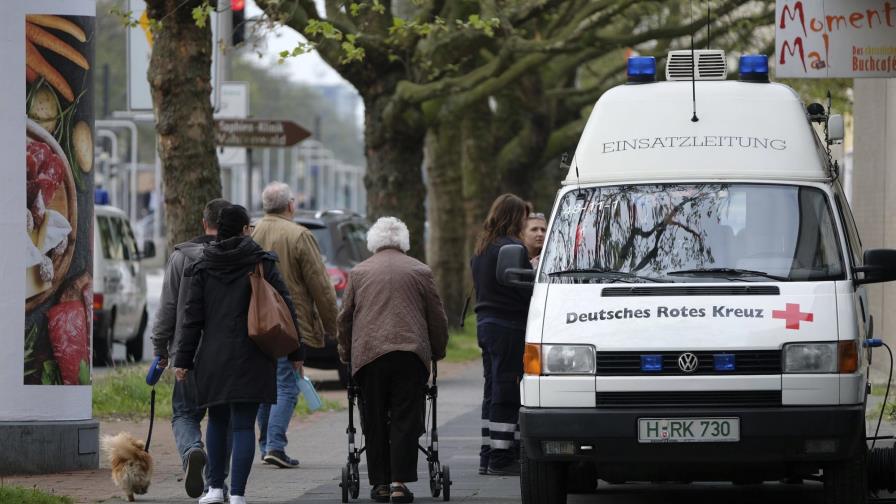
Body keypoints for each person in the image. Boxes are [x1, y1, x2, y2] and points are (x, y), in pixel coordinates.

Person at [174, 205, 305, 504]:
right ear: (246, 229)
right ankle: (238, 495)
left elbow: (192, 317)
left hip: (213, 356)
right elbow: (286, 308)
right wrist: (297, 351)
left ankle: (215, 489)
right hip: (253, 355)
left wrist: (183, 360)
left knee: (218, 421)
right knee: (244, 424)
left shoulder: (203, 266)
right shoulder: (262, 262)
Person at [337, 217, 449, 503]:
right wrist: (437, 350)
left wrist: (346, 354)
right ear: (404, 241)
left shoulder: (359, 272)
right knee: (406, 416)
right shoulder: (420, 270)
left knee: (373, 418)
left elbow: (345, 318)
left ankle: (380, 483)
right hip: (410, 355)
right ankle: (399, 483)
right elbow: (437, 317)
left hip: (370, 355)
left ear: (373, 241)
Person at [251, 181, 338, 468]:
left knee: (265, 384)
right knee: (286, 384)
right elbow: (320, 285)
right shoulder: (300, 235)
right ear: (291, 205)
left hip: (256, 321)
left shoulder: (251, 233)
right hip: (290, 321)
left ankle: (266, 445)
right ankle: (275, 445)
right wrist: (333, 326)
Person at [151, 198, 231, 499]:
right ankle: (217, 484)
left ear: (203, 222)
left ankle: (192, 450)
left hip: (188, 352)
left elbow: (167, 308)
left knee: (185, 413)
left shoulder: (182, 257)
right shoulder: (237, 256)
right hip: (226, 353)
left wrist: (160, 349)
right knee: (224, 418)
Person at [471, 193, 533, 476]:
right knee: (506, 392)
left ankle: (488, 455)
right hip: (509, 326)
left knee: (491, 391)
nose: (525, 222)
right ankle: (502, 458)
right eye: (523, 217)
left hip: (486, 324)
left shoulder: (483, 248)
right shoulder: (512, 248)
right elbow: (523, 292)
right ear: (514, 217)